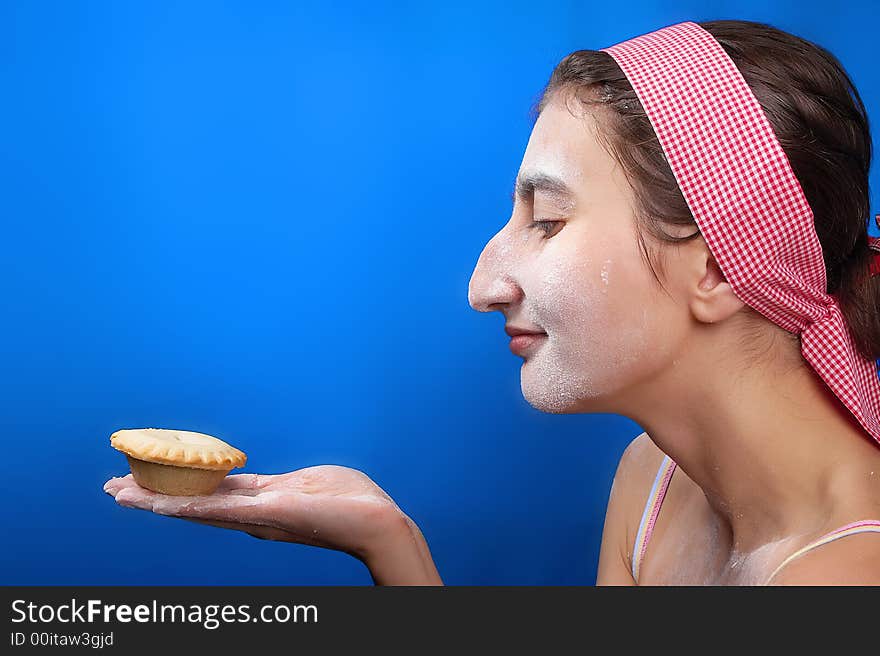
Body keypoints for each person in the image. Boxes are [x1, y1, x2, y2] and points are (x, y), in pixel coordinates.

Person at [103, 18, 880, 585]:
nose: (481, 288)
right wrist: (390, 543)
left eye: (548, 221)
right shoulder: (656, 480)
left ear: (714, 265)